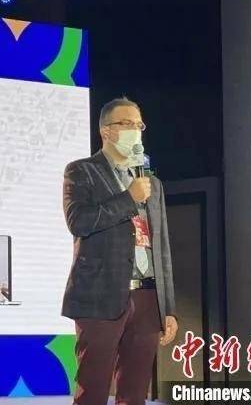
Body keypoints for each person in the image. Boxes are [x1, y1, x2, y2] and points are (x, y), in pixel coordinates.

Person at [61, 97, 178, 405]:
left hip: (147, 297)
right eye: (126, 124)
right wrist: (128, 198)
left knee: (135, 393)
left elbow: (161, 246)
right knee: (93, 390)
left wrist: (167, 306)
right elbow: (78, 221)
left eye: (138, 125)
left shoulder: (151, 182)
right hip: (100, 294)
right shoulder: (82, 171)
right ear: (106, 130)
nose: (134, 131)